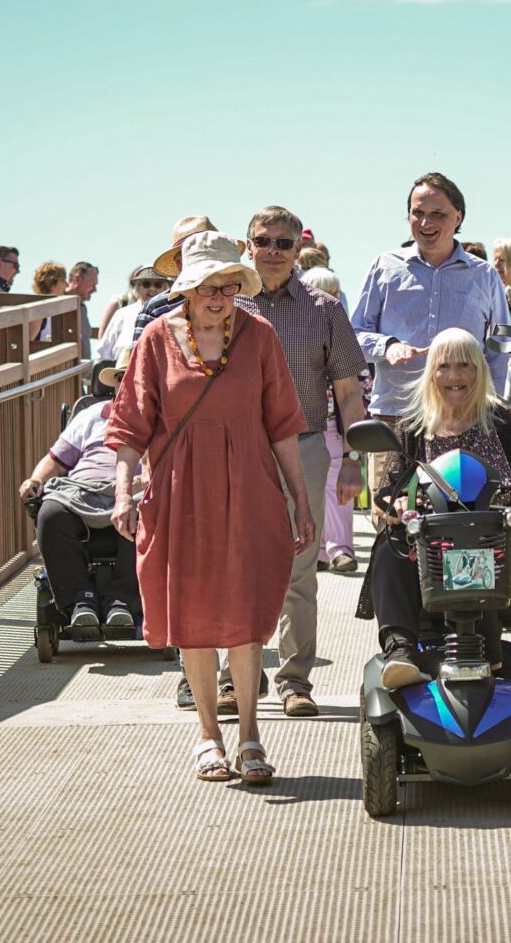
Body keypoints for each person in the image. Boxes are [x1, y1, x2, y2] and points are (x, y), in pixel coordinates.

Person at [133, 207, 367, 719]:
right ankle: (231, 679)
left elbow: (348, 389)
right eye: (264, 241)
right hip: (228, 450)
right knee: (227, 564)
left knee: (298, 569)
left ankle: (294, 680)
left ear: (297, 250)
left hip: (300, 443)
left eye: (285, 243)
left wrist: (353, 457)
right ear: (247, 245)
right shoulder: (216, 303)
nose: (275, 251)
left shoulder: (323, 308)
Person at [107, 231, 314, 784]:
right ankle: (207, 734)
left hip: (249, 487)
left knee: (245, 615)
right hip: (180, 490)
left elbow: (284, 425)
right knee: (191, 614)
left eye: (229, 285)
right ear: (186, 289)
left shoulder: (259, 335)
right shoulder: (154, 339)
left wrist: (300, 499)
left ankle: (250, 734)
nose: (220, 297)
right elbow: (128, 426)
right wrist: (124, 491)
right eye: (207, 286)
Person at [356, 328, 511, 689]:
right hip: (429, 554)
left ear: (480, 370)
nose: (455, 376)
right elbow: (385, 499)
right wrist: (396, 506)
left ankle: (488, 652)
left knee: (480, 557)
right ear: (431, 373)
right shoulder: (414, 426)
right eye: (444, 366)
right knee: (389, 542)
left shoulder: (504, 422)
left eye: (465, 365)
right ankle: (400, 651)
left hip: (497, 552)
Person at [351, 171, 511, 504]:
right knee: (391, 525)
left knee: (466, 520)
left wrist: (492, 408)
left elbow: (499, 348)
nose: (425, 222)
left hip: (465, 421)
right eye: (417, 213)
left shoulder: (484, 275)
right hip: (395, 419)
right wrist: (388, 346)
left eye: (437, 213)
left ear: (458, 217)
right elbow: (355, 333)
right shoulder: (384, 267)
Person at [18, 352, 138, 636]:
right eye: (123, 378)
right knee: (50, 513)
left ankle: (121, 600)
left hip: (135, 489)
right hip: (80, 489)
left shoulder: (162, 416)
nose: (129, 384)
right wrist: (35, 479)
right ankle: (79, 601)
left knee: (151, 514)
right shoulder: (91, 416)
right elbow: (56, 459)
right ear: (116, 382)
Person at [300, 266, 371, 574]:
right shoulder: (300, 334)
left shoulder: (342, 330)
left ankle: (341, 549)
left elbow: (361, 381)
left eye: (334, 290)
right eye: (321, 290)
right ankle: (316, 550)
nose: (329, 297)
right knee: (305, 489)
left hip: (334, 424)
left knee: (338, 487)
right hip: (301, 427)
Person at [96, 266, 170, 361]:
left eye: (158, 285)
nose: (152, 289)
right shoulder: (122, 314)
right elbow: (104, 351)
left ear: (165, 288)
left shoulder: (170, 314)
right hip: (121, 371)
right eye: (146, 284)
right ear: (138, 287)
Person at [66, 262, 99, 360]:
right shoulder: (59, 304)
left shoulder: (82, 307)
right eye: (92, 285)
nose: (95, 290)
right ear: (77, 279)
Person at [28, 261, 68, 341]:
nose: (67, 285)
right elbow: (28, 343)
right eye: (63, 280)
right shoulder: (38, 309)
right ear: (52, 282)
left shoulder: (57, 309)